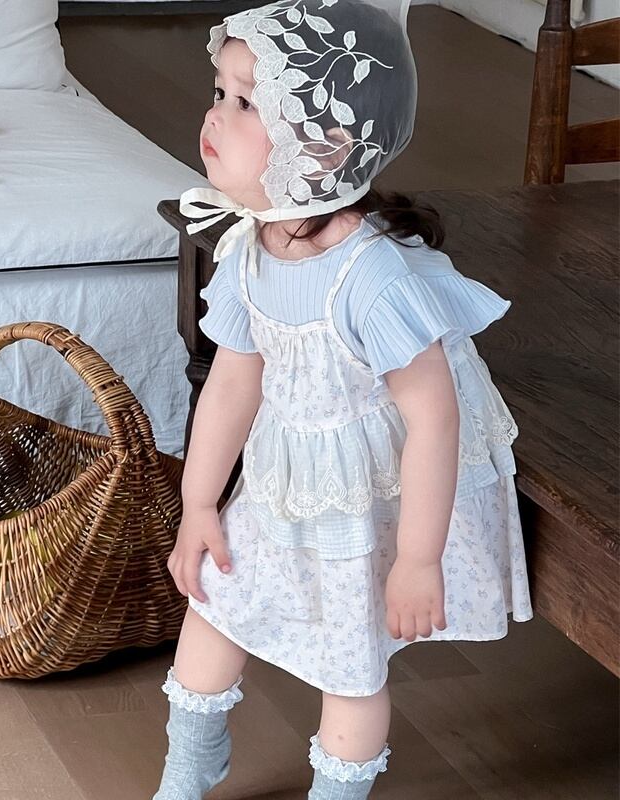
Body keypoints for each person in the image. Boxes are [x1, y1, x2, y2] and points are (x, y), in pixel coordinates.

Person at [153, 1, 533, 797]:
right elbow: (232, 381)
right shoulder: (251, 245)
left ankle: (338, 789)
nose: (215, 115)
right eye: (220, 92)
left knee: (350, 662)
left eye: (247, 102)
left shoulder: (373, 279)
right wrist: (198, 503)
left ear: (323, 147)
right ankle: (189, 769)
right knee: (215, 601)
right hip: (290, 471)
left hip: (375, 491)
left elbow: (434, 420)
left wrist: (418, 559)